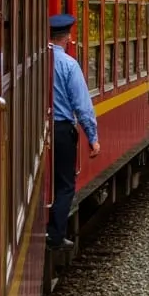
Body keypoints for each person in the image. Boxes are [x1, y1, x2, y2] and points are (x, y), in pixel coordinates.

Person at [48, 13, 99, 250]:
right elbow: (82, 105)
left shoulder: (31, 60)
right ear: (67, 37)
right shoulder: (68, 64)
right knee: (65, 185)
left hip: (31, 131)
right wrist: (93, 138)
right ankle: (55, 236)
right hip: (60, 131)